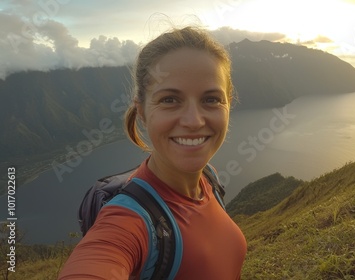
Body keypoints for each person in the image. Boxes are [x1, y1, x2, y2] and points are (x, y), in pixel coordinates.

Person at [58, 26, 247, 279]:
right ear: (142, 111)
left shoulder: (209, 178)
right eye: (169, 100)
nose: (193, 121)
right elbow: (100, 257)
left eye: (211, 99)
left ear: (228, 104)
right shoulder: (130, 219)